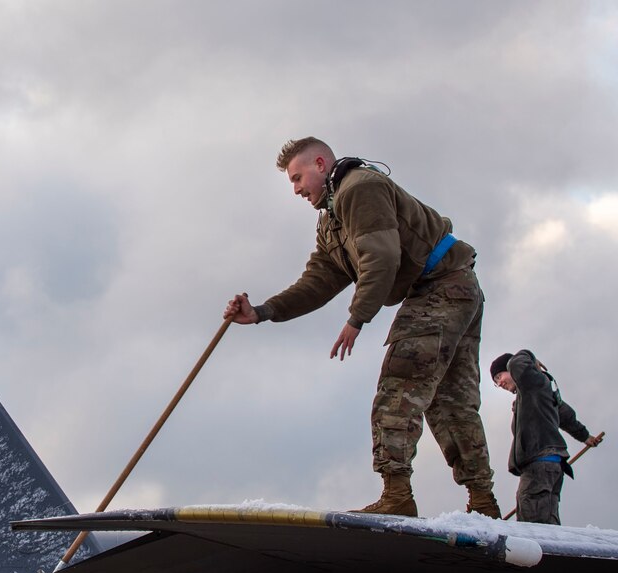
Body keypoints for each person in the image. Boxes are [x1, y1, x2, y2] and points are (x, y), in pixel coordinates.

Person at [224, 137, 501, 518]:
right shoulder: (332, 221)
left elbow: (382, 258)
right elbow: (318, 281)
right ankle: (483, 502)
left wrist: (357, 318)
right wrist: (262, 311)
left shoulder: (360, 189)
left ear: (320, 163)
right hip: (457, 288)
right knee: (450, 401)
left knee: (399, 388)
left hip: (442, 287)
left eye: (298, 178)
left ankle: (397, 496)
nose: (297, 190)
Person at [490, 350, 602, 524]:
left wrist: (529, 356)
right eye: (496, 382)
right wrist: (585, 436)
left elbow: (516, 363)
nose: (500, 383)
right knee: (547, 524)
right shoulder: (535, 393)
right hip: (549, 467)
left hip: (538, 465)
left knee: (533, 527)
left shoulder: (532, 382)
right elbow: (564, 414)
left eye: (499, 376)